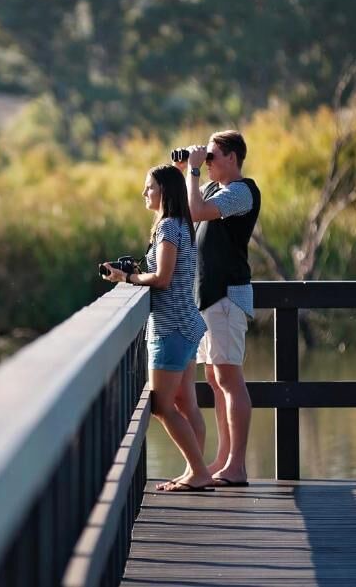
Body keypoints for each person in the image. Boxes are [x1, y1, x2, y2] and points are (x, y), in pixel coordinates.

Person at [101, 165, 212, 492]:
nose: (144, 193)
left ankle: (198, 471)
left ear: (163, 191)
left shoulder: (167, 227)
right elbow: (171, 274)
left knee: (162, 406)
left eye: (149, 187)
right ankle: (197, 470)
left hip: (171, 327)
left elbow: (163, 278)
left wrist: (129, 278)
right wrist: (139, 272)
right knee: (186, 404)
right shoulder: (183, 225)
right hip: (187, 322)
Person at [177, 130, 261, 488]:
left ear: (231, 157)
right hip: (208, 298)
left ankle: (237, 466)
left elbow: (196, 211)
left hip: (227, 296)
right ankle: (224, 460)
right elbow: (185, 211)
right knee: (214, 379)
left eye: (212, 156)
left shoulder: (241, 192)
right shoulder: (212, 189)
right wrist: (186, 171)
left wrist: (194, 172)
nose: (207, 162)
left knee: (229, 378)